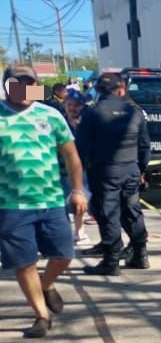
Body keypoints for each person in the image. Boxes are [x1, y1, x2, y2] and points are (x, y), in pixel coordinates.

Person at [0, 63, 88, 338]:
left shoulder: (51, 116)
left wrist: (77, 190)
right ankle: (41, 315)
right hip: (11, 205)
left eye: (30, 83)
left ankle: (45, 284)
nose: (25, 89)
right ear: (7, 86)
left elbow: (71, 156)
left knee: (64, 255)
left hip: (51, 201)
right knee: (23, 262)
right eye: (18, 83)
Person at [76, 72, 150, 275]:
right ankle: (140, 255)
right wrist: (141, 170)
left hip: (104, 171)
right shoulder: (135, 112)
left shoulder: (92, 112)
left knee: (108, 213)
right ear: (121, 88)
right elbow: (145, 146)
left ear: (98, 90)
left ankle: (111, 261)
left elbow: (81, 147)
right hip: (131, 170)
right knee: (132, 211)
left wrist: (80, 172)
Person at [61, 88, 91, 246]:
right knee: (60, 203)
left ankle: (80, 232)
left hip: (81, 170)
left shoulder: (87, 123)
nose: (73, 108)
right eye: (69, 104)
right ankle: (63, 233)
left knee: (80, 201)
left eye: (77, 105)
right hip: (60, 170)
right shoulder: (59, 122)